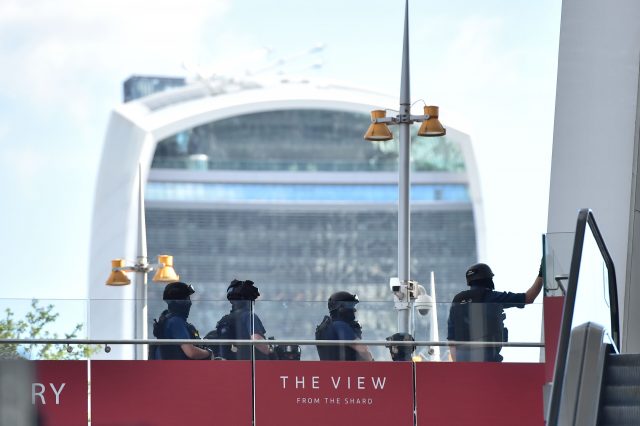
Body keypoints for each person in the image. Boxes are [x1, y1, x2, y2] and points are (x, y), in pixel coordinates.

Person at [447, 262, 543, 362]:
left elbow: (451, 338)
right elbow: (529, 298)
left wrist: (457, 364)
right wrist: (542, 274)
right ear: (488, 279)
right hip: (488, 359)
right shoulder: (492, 297)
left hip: (462, 361)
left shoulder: (457, 299)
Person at [152, 281, 213, 360]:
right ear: (179, 301)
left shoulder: (168, 319)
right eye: (187, 298)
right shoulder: (176, 322)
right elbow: (191, 352)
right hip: (180, 369)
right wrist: (209, 353)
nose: (190, 302)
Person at [213, 279, 270, 360]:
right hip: (249, 366)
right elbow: (256, 339)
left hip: (229, 366)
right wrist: (269, 350)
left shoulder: (224, 320)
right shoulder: (248, 316)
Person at [315, 291, 374, 361]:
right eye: (350, 305)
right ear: (340, 308)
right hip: (347, 369)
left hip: (330, 369)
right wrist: (373, 363)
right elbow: (363, 349)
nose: (354, 310)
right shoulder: (340, 325)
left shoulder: (325, 327)